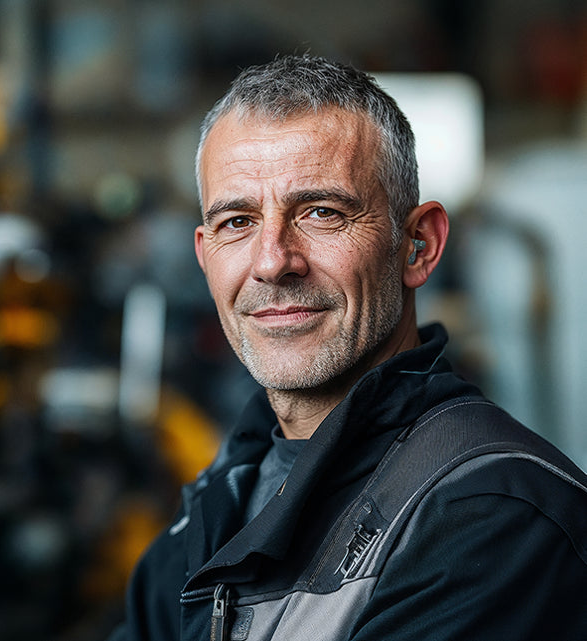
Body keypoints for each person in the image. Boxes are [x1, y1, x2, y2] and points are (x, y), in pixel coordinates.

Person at [109, 55, 587, 641]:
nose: (272, 261)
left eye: (321, 212)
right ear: (204, 256)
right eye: (237, 222)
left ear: (418, 245)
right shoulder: (225, 492)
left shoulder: (491, 517)